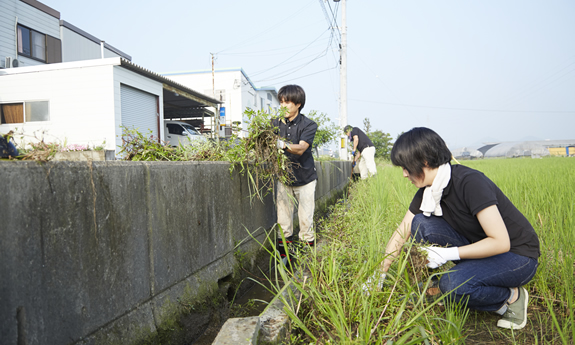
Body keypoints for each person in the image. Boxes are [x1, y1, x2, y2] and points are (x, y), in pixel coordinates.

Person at [373, 127, 540, 330]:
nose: (404, 174)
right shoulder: (429, 190)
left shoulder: (470, 183)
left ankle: (511, 297)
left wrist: (447, 254)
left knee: (452, 285)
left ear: (425, 161)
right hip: (482, 249)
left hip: (518, 257)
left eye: (407, 167)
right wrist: (379, 274)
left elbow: (501, 242)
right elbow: (403, 231)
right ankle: (462, 278)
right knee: (420, 223)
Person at [272, 85, 318, 261]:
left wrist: (283, 145)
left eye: (287, 102)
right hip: (284, 179)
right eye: (281, 102)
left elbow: (301, 149)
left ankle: (307, 261)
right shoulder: (274, 123)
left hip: (305, 179)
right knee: (283, 223)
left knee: (305, 220)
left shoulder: (309, 125)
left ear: (298, 104)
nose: (283, 106)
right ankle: (285, 261)